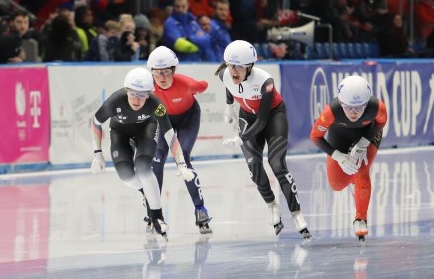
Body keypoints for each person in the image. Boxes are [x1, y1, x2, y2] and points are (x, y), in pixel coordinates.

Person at [216, 40, 311, 240]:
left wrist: (242, 138)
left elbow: (261, 121)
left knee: (277, 165)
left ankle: (296, 213)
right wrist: (229, 106)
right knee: (254, 166)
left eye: (239, 67)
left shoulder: (265, 82)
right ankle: (272, 205)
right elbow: (228, 85)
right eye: (231, 65)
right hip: (246, 114)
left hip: (272, 117)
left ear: (249, 66)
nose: (233, 71)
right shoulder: (225, 73)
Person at [90, 67, 196, 239]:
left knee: (144, 168)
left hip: (146, 130)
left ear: (149, 94)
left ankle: (157, 216)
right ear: (126, 91)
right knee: (125, 175)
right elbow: (95, 122)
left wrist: (181, 164)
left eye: (142, 95)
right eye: (132, 94)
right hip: (120, 132)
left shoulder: (156, 105)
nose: (137, 99)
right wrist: (97, 153)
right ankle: (144, 192)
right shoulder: (114, 101)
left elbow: (170, 135)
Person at [310, 75, 387, 241]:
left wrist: (364, 143)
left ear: (366, 104)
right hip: (340, 140)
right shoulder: (331, 111)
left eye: (359, 108)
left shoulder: (377, 107)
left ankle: (360, 219)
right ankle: (353, 180)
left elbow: (381, 122)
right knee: (337, 185)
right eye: (348, 107)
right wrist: (339, 157)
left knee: (361, 171)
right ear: (340, 102)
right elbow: (315, 136)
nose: (353, 112)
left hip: (368, 137)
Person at [147, 46, 212, 233]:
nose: (162, 77)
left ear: (174, 71)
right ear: (151, 72)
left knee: (183, 157)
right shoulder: (147, 88)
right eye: (157, 72)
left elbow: (204, 85)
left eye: (167, 71)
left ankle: (200, 209)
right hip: (162, 120)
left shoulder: (187, 83)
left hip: (187, 119)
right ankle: (153, 210)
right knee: (156, 160)